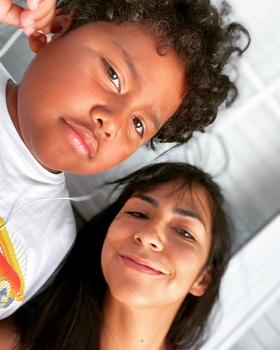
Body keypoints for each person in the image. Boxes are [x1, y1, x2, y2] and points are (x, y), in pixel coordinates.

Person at [0, 0, 248, 317]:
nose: (113, 122)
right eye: (114, 76)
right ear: (58, 28)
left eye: (138, 124)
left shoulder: (54, 239)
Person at [1, 162, 231, 350]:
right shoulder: (14, 342)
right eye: (138, 213)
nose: (149, 235)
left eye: (184, 232)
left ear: (202, 279)